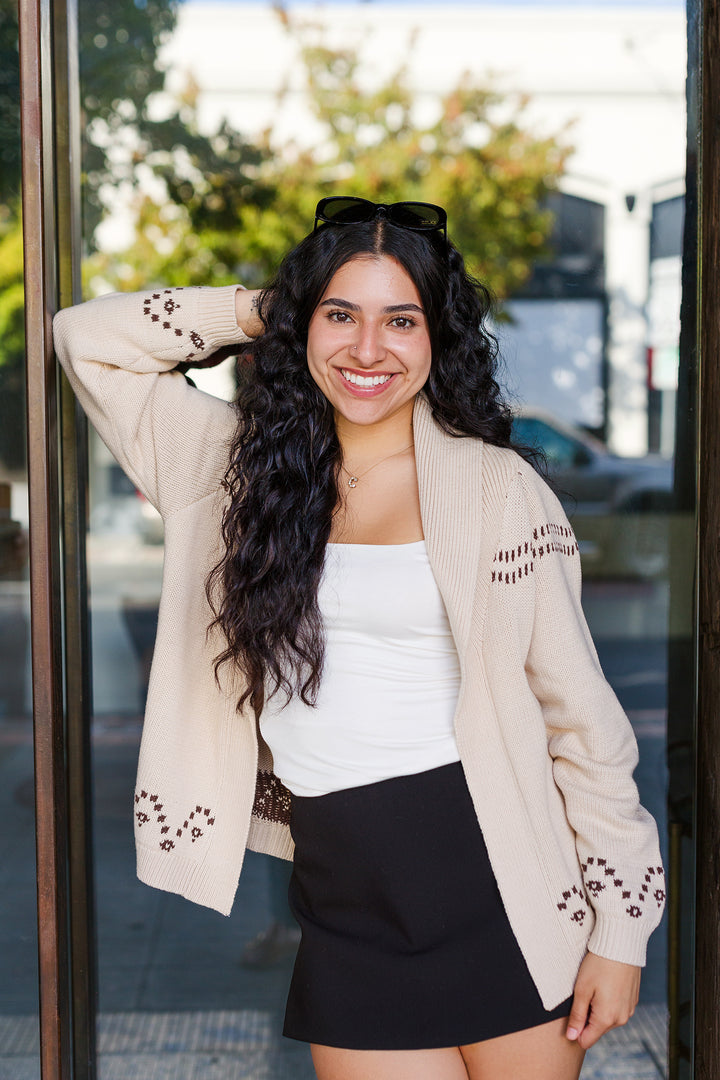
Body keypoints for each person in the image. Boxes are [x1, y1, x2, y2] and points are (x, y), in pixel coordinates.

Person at [53, 196, 665, 1080]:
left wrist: (620, 933)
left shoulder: (497, 490)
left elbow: (581, 722)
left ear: (436, 338)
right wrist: (265, 307)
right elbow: (85, 338)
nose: (368, 350)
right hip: (348, 907)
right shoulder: (229, 469)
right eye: (340, 315)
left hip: (508, 893)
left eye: (400, 320)